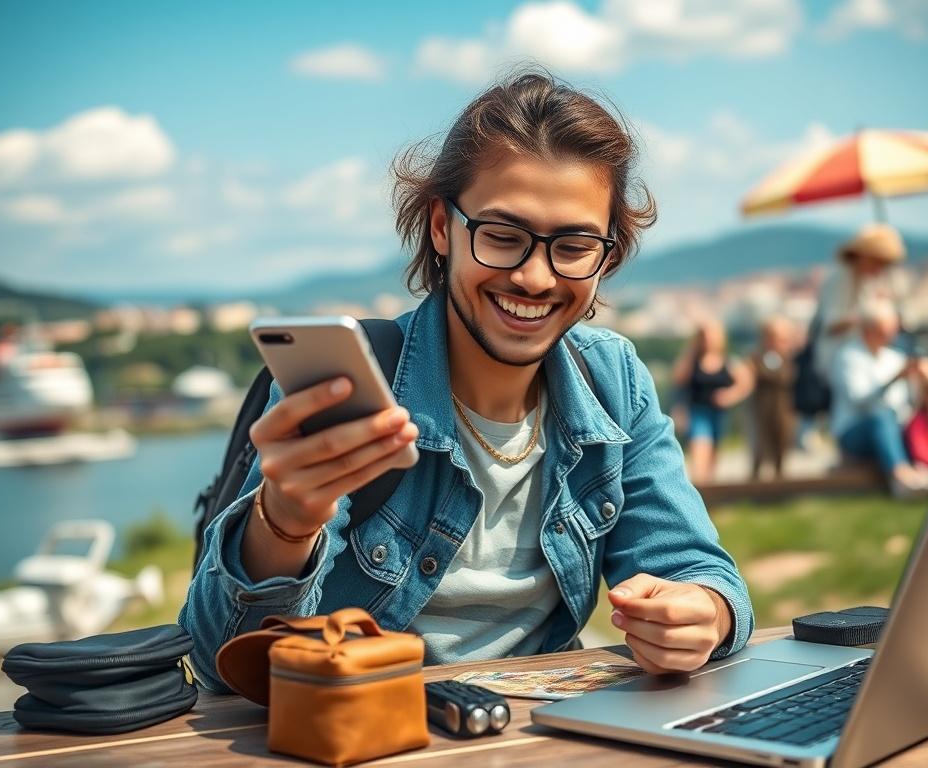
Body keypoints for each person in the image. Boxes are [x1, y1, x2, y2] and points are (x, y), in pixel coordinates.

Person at [180, 70, 753, 690]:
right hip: (369, 733)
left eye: (574, 245)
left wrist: (707, 614)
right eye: (503, 237)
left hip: (545, 735)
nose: (535, 278)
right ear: (441, 228)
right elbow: (218, 659)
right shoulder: (350, 380)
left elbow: (694, 567)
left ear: (607, 254)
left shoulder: (612, 380)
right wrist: (284, 524)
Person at [829, 301, 928, 498]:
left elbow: (912, 404)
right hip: (853, 432)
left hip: (892, 427)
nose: (891, 335)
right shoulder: (848, 357)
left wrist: (925, 381)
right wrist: (895, 378)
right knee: (883, 417)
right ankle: (901, 477)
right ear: (868, 330)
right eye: (886, 330)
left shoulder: (894, 357)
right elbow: (860, 401)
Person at [814, 223, 909, 379]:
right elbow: (830, 324)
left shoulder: (869, 282)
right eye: (878, 262)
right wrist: (869, 317)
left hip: (860, 356)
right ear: (864, 257)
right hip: (839, 358)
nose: (880, 269)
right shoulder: (840, 280)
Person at [671, 320, 753, 485]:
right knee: (700, 450)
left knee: (714, 455)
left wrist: (730, 396)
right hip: (697, 412)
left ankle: (708, 493)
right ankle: (699, 487)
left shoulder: (728, 362)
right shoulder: (692, 362)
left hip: (718, 413)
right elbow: (678, 381)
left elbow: (746, 382)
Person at [747, 316, 798, 480]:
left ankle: (780, 483)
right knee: (760, 448)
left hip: (784, 410)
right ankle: (755, 485)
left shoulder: (790, 359)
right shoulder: (755, 358)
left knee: (781, 447)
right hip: (761, 410)